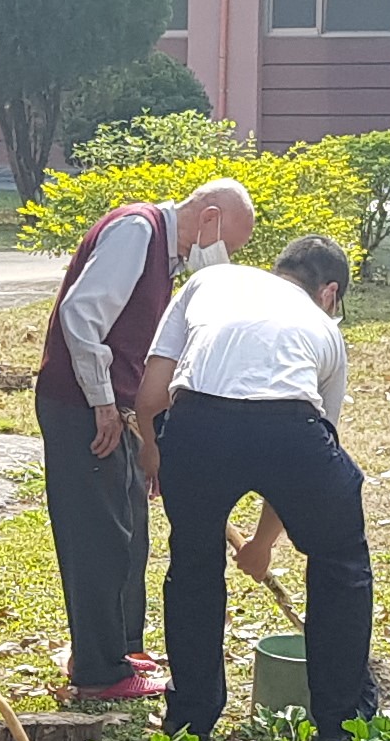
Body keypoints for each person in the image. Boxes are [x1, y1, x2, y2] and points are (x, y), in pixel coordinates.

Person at [139, 235, 370, 741]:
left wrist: (156, 454)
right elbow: (312, 445)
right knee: (339, 561)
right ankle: (341, 724)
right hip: (290, 427)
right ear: (330, 294)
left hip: (196, 421)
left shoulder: (211, 280)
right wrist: (264, 543)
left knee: (193, 566)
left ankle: (190, 720)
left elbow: (152, 395)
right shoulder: (326, 330)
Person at [38, 177, 258, 704]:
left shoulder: (168, 258)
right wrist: (103, 403)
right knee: (99, 537)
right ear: (208, 218)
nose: (223, 257)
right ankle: (97, 669)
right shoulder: (137, 231)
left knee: (131, 529)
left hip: (119, 410)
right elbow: (81, 315)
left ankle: (123, 650)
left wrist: (149, 437)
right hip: (81, 406)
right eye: (228, 242)